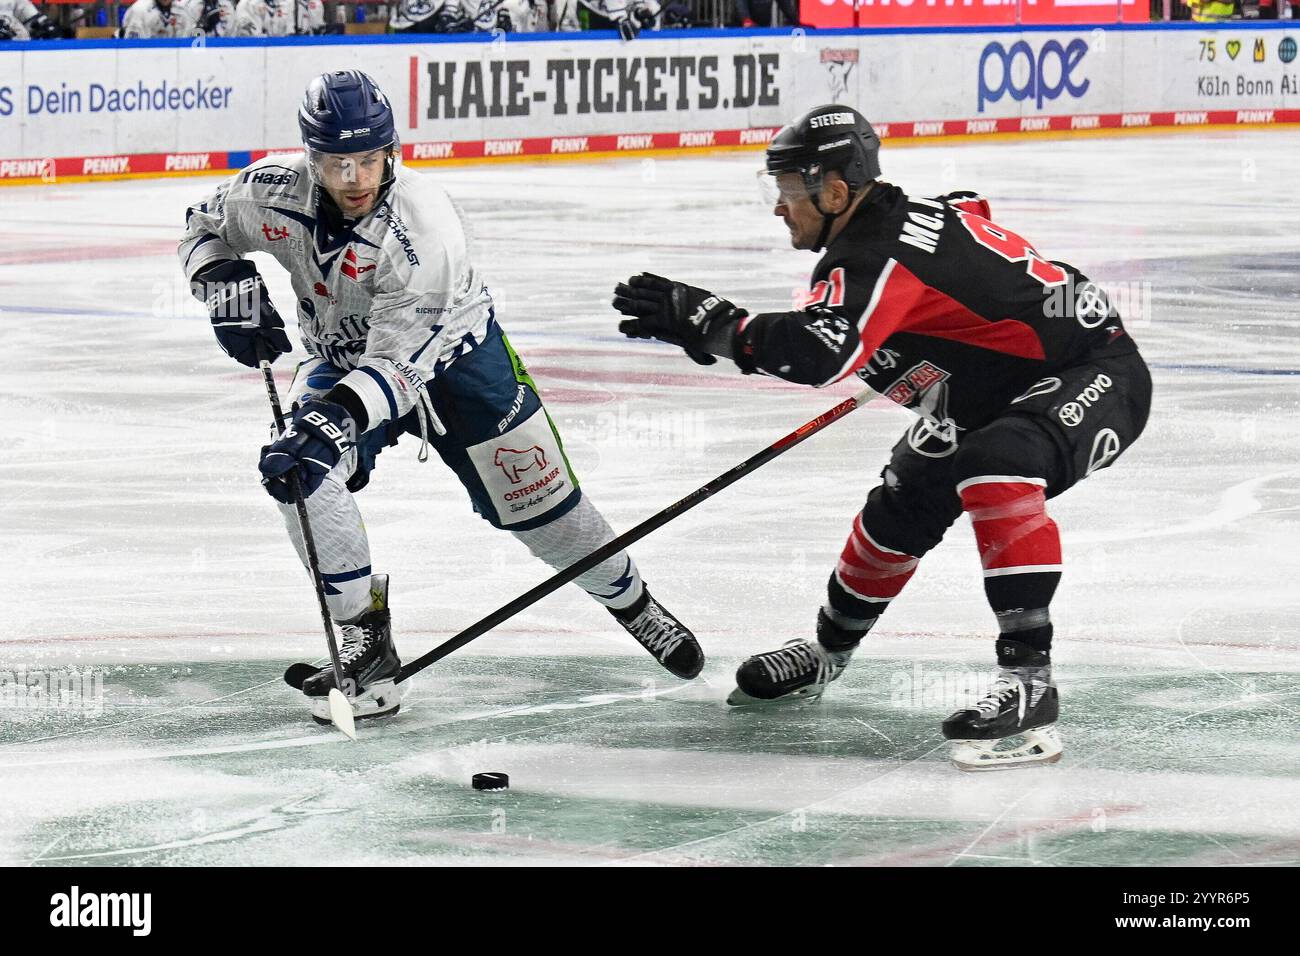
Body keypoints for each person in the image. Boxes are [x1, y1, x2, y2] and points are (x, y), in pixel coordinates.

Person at [612, 104, 1151, 770]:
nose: (779, 208)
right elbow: (967, 212)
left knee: (993, 463)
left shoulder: (873, 255)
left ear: (836, 191)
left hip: (1093, 372)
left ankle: (1029, 685)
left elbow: (817, 355)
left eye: (787, 191)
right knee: (903, 498)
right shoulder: (886, 225)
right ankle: (828, 654)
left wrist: (717, 326)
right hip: (990, 390)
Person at [179, 70, 702, 724]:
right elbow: (202, 225)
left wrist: (334, 419)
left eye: (369, 159)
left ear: (390, 149)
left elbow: (399, 366)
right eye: (337, 163)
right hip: (341, 359)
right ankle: (364, 644)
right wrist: (223, 286)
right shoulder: (269, 191)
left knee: (547, 514)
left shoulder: (425, 228)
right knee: (300, 473)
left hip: (459, 362)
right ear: (311, 157)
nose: (354, 178)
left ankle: (633, 603)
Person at [119, 0, 195, 37]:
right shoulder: (139, 9)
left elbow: (191, 39)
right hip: (145, 60)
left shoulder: (183, 11)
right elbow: (133, 46)